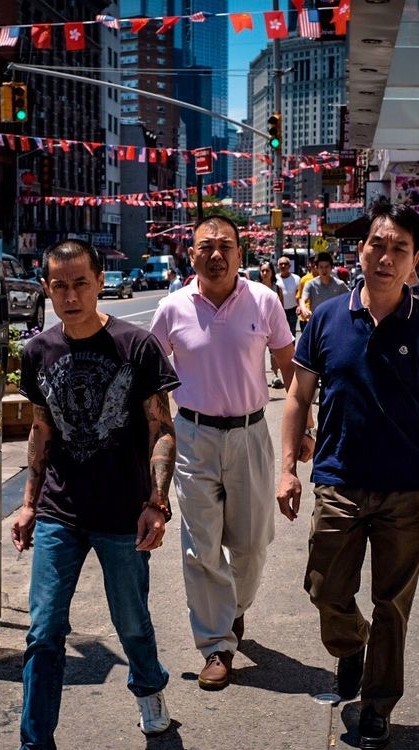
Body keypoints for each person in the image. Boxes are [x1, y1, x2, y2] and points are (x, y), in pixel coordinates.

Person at [277, 198, 419, 750]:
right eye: (377, 245)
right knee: (325, 589)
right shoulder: (328, 318)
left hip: (406, 489)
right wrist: (287, 468)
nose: (385, 257)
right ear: (360, 250)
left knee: (393, 604)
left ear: (414, 263)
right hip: (337, 480)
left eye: (399, 249)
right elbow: (297, 394)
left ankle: (378, 705)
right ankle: (351, 644)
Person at [2, 238, 179, 750]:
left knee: (131, 620)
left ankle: (149, 688)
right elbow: (41, 429)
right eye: (59, 286)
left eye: (80, 283)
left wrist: (157, 500)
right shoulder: (37, 351)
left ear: (101, 281)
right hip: (59, 511)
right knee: (44, 630)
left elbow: (161, 428)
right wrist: (28, 502)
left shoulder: (137, 345)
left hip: (124, 513)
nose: (70, 295)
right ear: (46, 288)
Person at [150, 217, 311, 690]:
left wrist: (305, 429)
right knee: (201, 545)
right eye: (206, 247)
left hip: (250, 435)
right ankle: (217, 644)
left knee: (252, 543)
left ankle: (233, 609)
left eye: (226, 247)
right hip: (193, 438)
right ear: (191, 253)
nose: (216, 255)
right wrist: (159, 438)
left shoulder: (263, 301)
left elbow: (291, 367)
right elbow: (153, 382)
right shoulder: (170, 309)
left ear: (241, 254)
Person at [257, 261, 285, 389]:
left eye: (267, 270)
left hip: (273, 324)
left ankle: (275, 375)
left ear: (272, 272)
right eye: (262, 271)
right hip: (258, 324)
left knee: (274, 351)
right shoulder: (255, 287)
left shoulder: (277, 288)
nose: (264, 273)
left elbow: (281, 307)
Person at [300, 252, 349, 319]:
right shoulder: (310, 284)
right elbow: (303, 299)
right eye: (321, 267)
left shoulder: (340, 285)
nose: (324, 270)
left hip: (334, 321)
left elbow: (350, 297)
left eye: (326, 267)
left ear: (331, 267)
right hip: (317, 322)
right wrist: (304, 309)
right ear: (316, 268)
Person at [274, 256, 300, 337]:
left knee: (292, 333)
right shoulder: (275, 279)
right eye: (281, 264)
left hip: (293, 310)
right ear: (278, 266)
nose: (283, 266)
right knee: (279, 334)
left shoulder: (296, 278)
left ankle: (292, 349)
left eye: (285, 264)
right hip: (279, 311)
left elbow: (299, 295)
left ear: (289, 266)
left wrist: (299, 306)